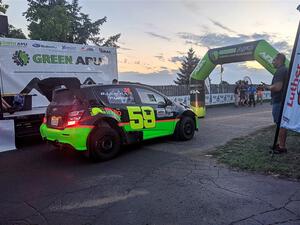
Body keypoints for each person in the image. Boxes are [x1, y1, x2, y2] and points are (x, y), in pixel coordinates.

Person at [263, 53, 288, 153]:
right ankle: (280, 144)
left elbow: (277, 87)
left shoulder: (280, 71)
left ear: (279, 60)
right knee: (281, 124)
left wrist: (267, 87)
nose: (272, 62)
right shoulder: (284, 70)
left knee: (280, 123)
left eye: (274, 60)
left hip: (279, 100)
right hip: (281, 100)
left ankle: (281, 147)